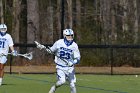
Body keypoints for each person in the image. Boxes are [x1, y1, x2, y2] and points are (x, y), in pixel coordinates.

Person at [48, 29, 81, 93]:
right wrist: (43, 48)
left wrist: (73, 62)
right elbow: (51, 51)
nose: (70, 37)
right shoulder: (59, 43)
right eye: (68, 36)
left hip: (70, 68)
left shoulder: (74, 45)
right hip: (60, 67)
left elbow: (78, 58)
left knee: (72, 85)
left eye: (71, 36)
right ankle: (54, 88)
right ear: (64, 36)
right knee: (62, 81)